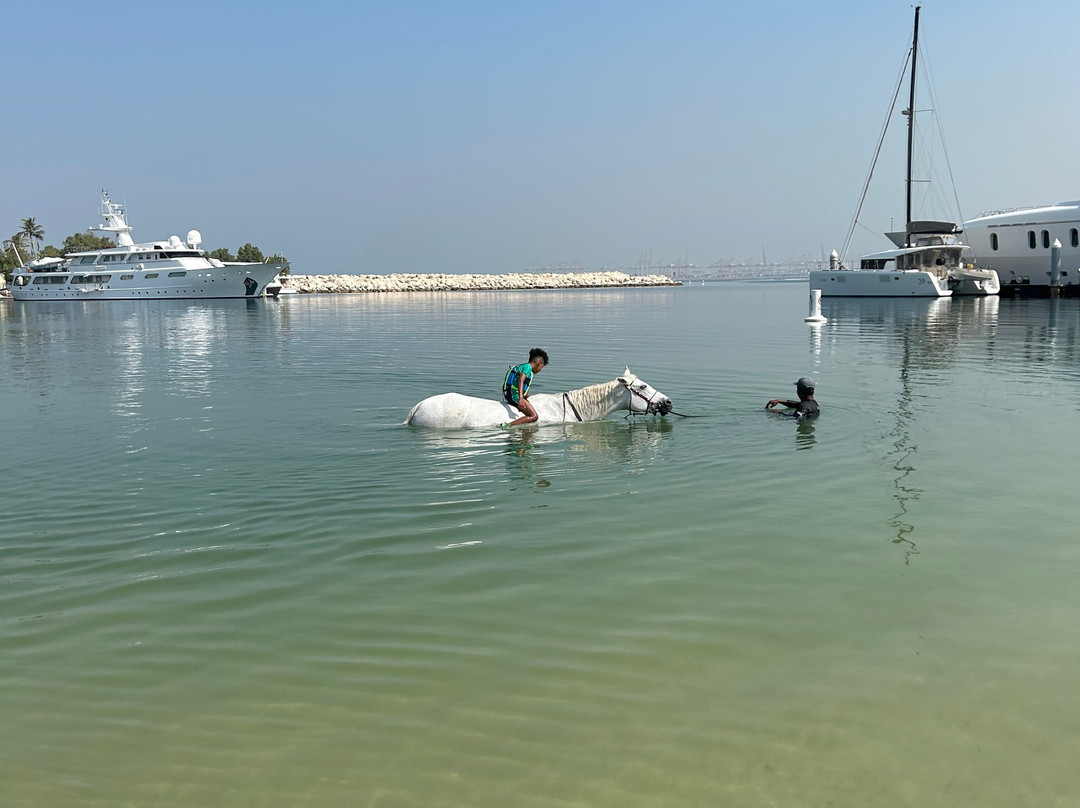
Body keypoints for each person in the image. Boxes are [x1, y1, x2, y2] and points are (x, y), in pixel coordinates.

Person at [501, 348, 549, 427]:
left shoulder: (523, 366)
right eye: (542, 366)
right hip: (514, 395)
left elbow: (524, 385)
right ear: (539, 363)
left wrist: (526, 398)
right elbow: (521, 381)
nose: (540, 369)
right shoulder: (528, 368)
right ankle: (508, 425)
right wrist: (521, 399)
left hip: (510, 393)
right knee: (534, 416)